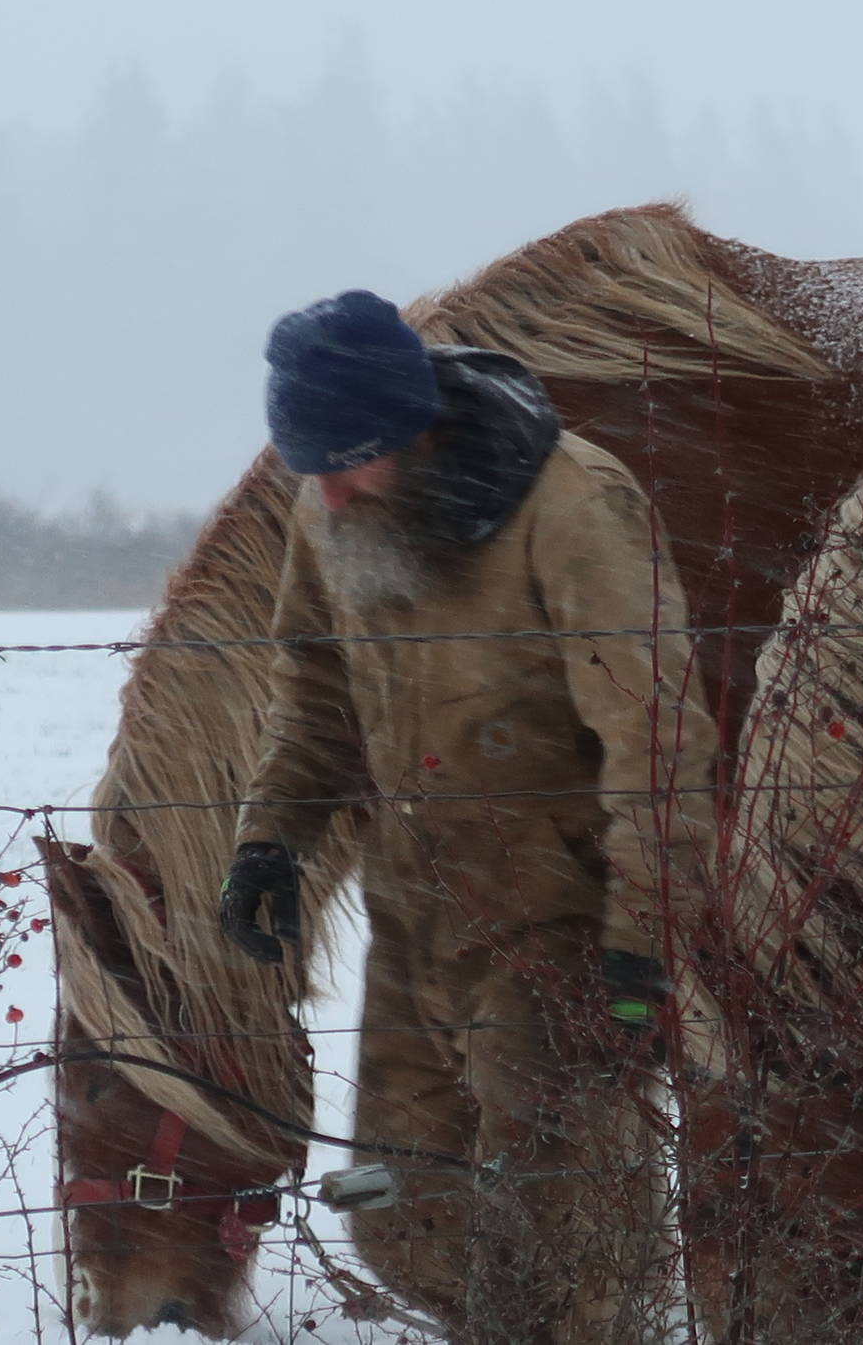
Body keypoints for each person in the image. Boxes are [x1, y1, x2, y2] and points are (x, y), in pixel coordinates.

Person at [218, 289, 718, 1342]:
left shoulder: (574, 507)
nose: (333, 496)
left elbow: (656, 742)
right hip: (415, 914)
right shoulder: (330, 509)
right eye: (310, 469)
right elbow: (312, 690)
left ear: (418, 430)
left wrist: (643, 943)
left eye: (350, 461)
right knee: (398, 1216)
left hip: (561, 918)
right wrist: (274, 839)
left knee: (569, 1237)